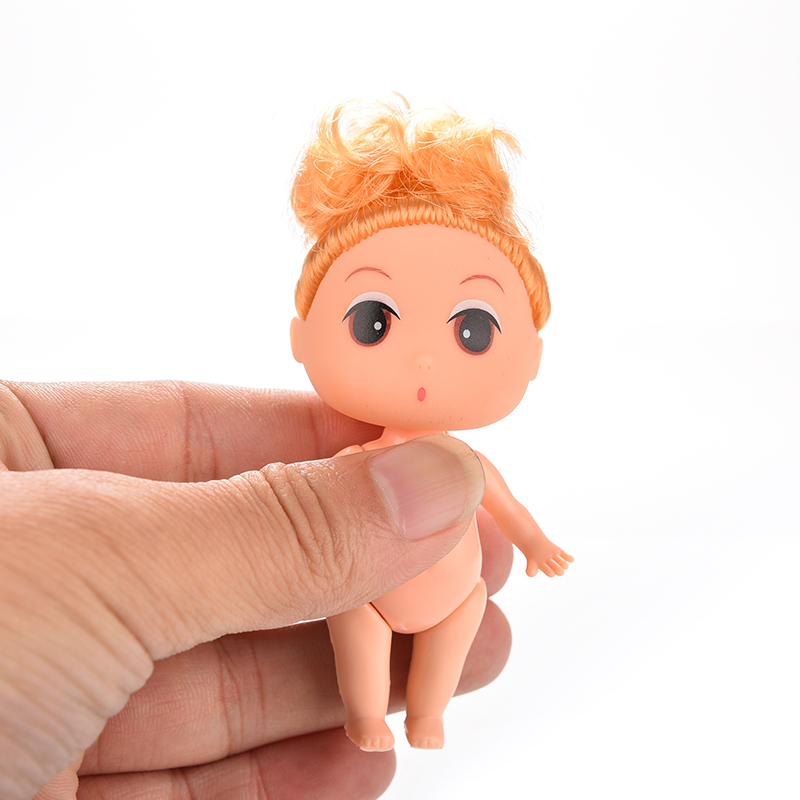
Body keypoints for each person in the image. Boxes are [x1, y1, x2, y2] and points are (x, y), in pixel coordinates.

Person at [0, 379, 515, 800]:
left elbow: (511, 512)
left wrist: (536, 545)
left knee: (456, 638)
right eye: (374, 325)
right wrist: (320, 520)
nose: (424, 365)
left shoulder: (469, 460)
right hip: (372, 597)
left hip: (458, 596)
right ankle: (365, 716)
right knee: (359, 633)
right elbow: (332, 508)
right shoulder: (360, 455)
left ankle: (428, 713)